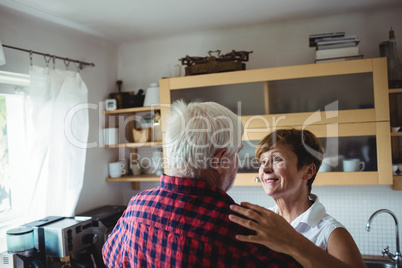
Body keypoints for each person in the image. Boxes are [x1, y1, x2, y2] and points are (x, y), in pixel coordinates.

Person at [102, 101, 302, 267]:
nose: (237, 163)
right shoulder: (243, 230)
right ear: (220, 159)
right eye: (237, 153)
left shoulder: (137, 206)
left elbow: (108, 257)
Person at [229, 128, 366, 268]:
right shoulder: (262, 222)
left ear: (308, 171)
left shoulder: (331, 233)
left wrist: (292, 242)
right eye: (262, 162)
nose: (265, 169)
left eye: (277, 159)